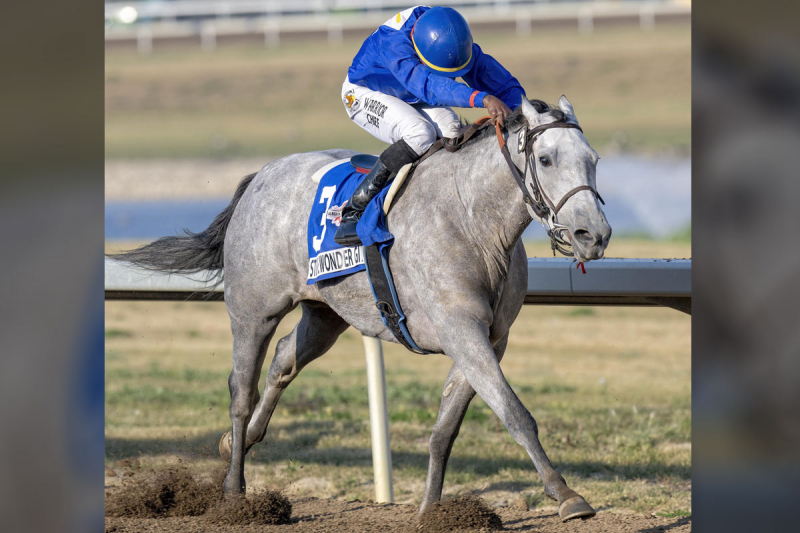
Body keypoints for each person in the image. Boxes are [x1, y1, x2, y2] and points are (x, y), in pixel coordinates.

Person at [334, 5, 527, 245]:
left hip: (408, 91)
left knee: (451, 128)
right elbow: (428, 86)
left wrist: (524, 110)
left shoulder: (449, 34)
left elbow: (496, 79)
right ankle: (355, 210)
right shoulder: (395, 45)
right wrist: (483, 99)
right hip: (363, 92)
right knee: (419, 133)